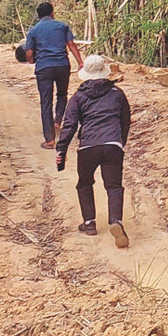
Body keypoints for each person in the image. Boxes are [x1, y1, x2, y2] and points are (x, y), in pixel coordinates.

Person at [55, 52, 132, 247]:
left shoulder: (78, 96)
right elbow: (125, 120)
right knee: (114, 186)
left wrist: (61, 149)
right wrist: (119, 142)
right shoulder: (117, 94)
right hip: (112, 144)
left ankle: (89, 223)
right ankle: (116, 221)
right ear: (105, 72)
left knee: (84, 183)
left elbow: (70, 125)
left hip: (88, 145)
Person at [20, 0, 83, 148]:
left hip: (44, 68)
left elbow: (29, 53)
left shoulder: (33, 31)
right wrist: (80, 62)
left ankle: (49, 140)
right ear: (52, 13)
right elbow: (71, 45)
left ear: (38, 16)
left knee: (45, 101)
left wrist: (31, 60)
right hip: (62, 65)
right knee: (62, 94)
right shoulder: (62, 26)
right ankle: (57, 120)